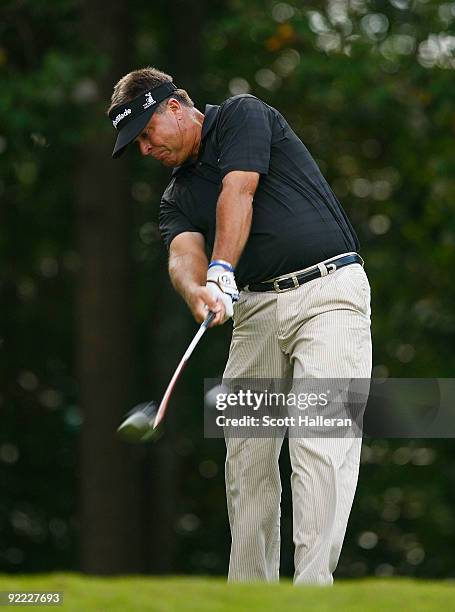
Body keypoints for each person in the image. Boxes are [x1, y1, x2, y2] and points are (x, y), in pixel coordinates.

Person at [108, 67, 372, 585]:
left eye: (145, 133)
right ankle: (250, 596)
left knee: (320, 438)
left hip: (329, 294)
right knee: (246, 458)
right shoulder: (176, 195)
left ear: (175, 108)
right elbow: (183, 254)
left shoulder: (242, 116)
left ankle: (310, 595)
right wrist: (198, 288)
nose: (144, 149)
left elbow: (239, 190)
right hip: (254, 313)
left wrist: (222, 268)